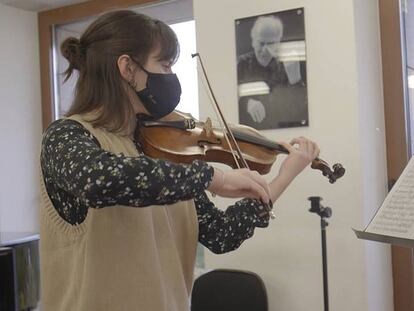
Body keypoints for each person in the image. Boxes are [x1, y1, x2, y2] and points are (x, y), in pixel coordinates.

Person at [39, 10, 319, 311]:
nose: (170, 75)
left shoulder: (162, 148)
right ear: (128, 68)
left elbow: (220, 233)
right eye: (164, 63)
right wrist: (216, 177)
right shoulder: (66, 136)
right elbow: (96, 179)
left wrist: (283, 178)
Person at [237, 15, 308, 130]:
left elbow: (302, 110)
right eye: (261, 43)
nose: (265, 49)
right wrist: (247, 102)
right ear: (253, 42)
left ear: (278, 43)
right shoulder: (241, 64)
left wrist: (296, 80)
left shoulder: (290, 64)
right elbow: (230, 98)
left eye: (270, 43)